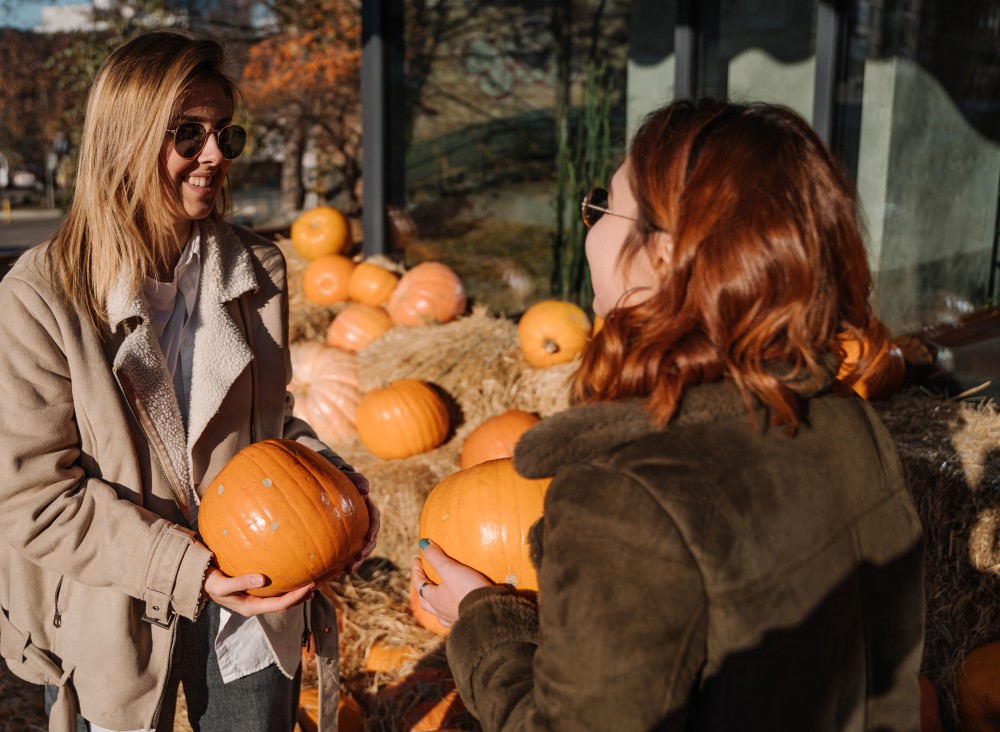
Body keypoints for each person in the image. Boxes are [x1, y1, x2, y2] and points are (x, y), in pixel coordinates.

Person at [412, 99, 925, 730]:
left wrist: (485, 618)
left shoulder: (628, 493)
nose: (589, 226)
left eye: (603, 207)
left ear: (663, 256)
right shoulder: (849, 421)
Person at [0, 30, 379, 732]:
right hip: (109, 592)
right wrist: (188, 570)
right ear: (127, 140)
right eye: (187, 135)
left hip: (254, 587)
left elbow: (273, 431)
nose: (214, 157)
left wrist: (334, 489)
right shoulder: (39, 297)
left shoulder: (257, 270)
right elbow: (34, 497)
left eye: (223, 136)